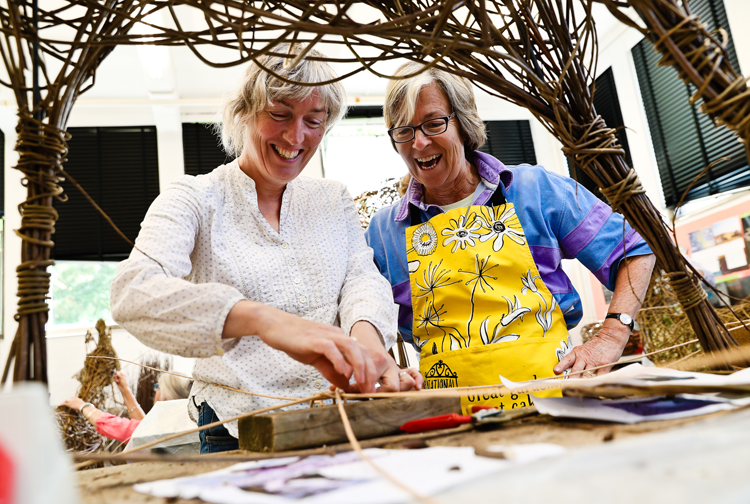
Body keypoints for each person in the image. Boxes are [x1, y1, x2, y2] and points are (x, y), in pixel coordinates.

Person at [110, 45, 419, 454]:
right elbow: (132, 294)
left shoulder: (331, 198)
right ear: (244, 111)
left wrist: (367, 347)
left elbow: (361, 279)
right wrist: (262, 319)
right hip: (238, 428)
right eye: (279, 114)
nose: (296, 136)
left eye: (314, 120)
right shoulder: (195, 198)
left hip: (338, 412)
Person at [365, 62, 655, 412]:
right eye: (404, 131)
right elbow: (358, 321)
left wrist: (612, 335)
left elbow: (634, 250)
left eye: (433, 123)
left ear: (464, 123)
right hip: (451, 421)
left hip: (558, 406)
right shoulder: (383, 233)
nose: (419, 142)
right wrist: (390, 371)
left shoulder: (535, 190)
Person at [62, 372, 192, 443]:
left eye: (157, 387)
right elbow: (144, 425)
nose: (155, 391)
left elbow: (117, 426)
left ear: (166, 398)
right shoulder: (181, 421)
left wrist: (83, 406)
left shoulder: (162, 429)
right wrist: (125, 390)